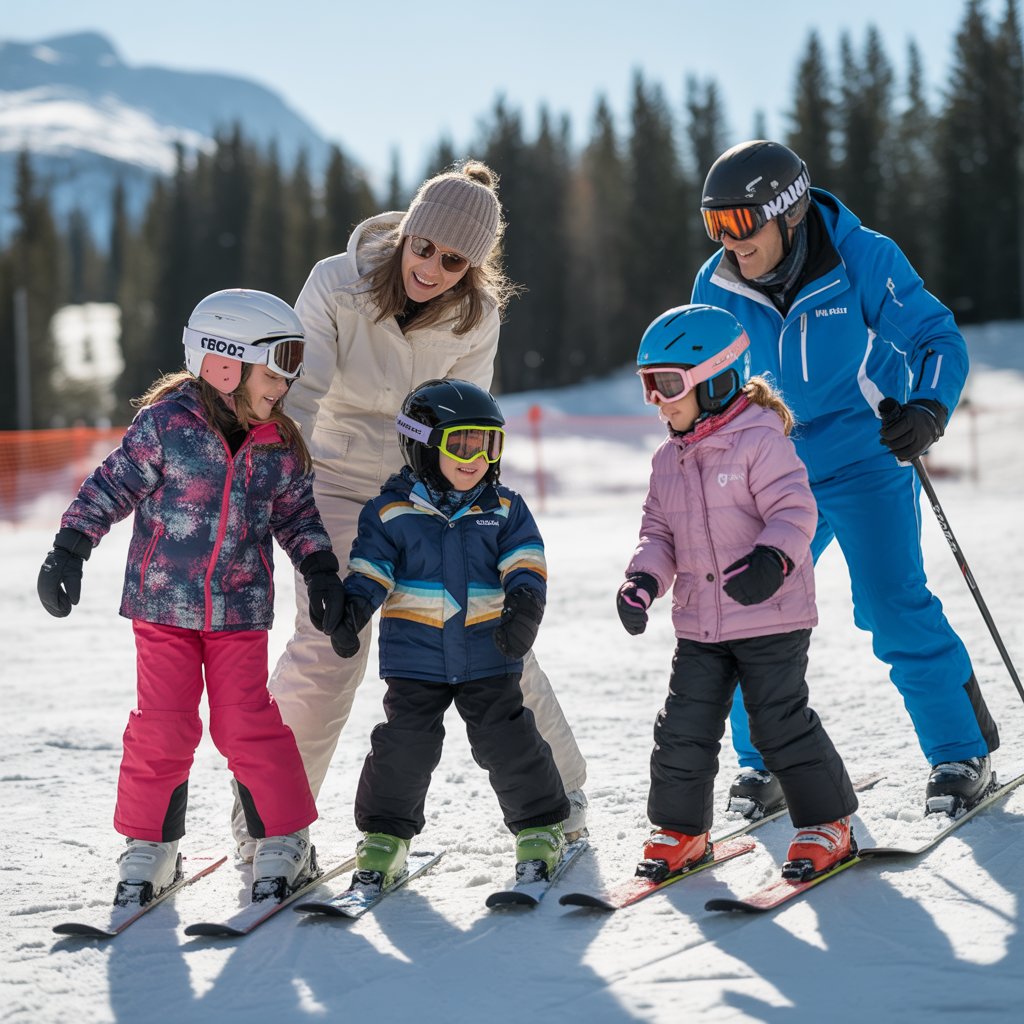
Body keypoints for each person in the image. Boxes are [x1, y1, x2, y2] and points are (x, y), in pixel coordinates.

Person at [243, 160, 588, 859]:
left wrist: (466, 511)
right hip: (333, 479)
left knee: (488, 628)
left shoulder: (476, 317)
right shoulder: (336, 283)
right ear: (406, 233)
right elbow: (298, 396)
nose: (431, 268)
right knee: (332, 640)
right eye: (423, 247)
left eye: (453, 261)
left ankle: (562, 792)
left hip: (423, 492)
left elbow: (469, 420)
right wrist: (268, 489)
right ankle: (270, 818)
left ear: (473, 267)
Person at [693, 140, 999, 817]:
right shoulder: (716, 286)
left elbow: (937, 337)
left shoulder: (863, 258)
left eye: (739, 224)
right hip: (774, 472)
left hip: (867, 457)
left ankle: (961, 750)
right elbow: (711, 387)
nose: (728, 243)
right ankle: (763, 761)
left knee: (890, 603)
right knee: (748, 607)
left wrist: (928, 408)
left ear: (788, 212)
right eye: (715, 225)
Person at [36, 289, 346, 902]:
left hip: (238, 612)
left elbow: (297, 517)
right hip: (161, 609)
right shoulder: (165, 427)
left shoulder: (278, 444)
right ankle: (150, 846)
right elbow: (110, 487)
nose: (284, 385)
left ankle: (284, 837)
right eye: (275, 370)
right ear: (225, 364)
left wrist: (321, 572)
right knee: (163, 726)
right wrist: (69, 547)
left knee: (246, 723)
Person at [616, 303, 858, 881]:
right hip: (701, 623)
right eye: (648, 385)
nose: (658, 400)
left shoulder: (759, 441)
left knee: (778, 723)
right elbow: (658, 533)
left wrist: (773, 559)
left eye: (668, 384)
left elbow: (795, 510)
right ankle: (682, 831)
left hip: (770, 614)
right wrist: (643, 580)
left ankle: (828, 822)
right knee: (683, 726)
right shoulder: (667, 459)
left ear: (717, 380)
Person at [331, 378, 570, 885]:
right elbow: (371, 570)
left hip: (488, 653)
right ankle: (385, 836)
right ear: (422, 445)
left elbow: (526, 563)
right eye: (461, 444)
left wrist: (524, 607)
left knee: (508, 740)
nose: (476, 458)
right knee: (404, 747)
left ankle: (540, 826)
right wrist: (354, 610)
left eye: (488, 445)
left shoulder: (503, 509)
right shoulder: (390, 513)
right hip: (415, 660)